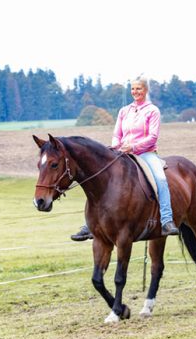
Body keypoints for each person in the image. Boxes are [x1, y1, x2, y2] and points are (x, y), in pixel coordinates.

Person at [71, 77, 179, 241]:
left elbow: (152, 137)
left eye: (139, 89)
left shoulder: (153, 111)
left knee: (160, 179)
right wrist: (115, 147)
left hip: (145, 153)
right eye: (133, 89)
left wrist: (134, 147)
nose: (135, 92)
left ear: (145, 90)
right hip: (122, 152)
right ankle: (90, 225)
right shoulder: (124, 111)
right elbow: (117, 134)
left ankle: (166, 220)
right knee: (99, 181)